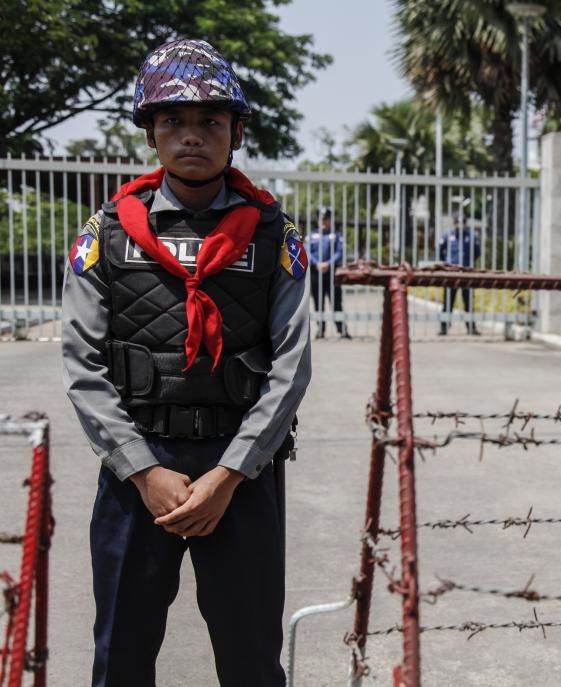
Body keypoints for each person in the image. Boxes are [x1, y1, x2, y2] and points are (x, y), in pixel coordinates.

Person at [61, 39, 311, 687]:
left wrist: (229, 474)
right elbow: (83, 364)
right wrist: (145, 472)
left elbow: (291, 366)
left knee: (252, 659)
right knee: (120, 656)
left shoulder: (273, 235)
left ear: (237, 132)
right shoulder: (109, 234)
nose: (192, 135)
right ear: (150, 133)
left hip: (243, 474)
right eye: (172, 120)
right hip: (136, 472)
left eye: (211, 121)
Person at [307, 208, 350, 338]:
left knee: (336, 301)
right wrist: (317, 263)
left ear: (330, 220)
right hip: (316, 272)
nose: (323, 221)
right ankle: (321, 330)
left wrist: (328, 263)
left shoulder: (337, 235)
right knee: (318, 302)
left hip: (332, 272)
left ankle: (341, 329)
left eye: (326, 219)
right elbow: (306, 251)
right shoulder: (311, 235)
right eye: (321, 219)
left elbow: (340, 252)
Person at [437, 209, 481, 335]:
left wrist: (469, 264)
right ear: (454, 223)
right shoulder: (447, 236)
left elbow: (477, 253)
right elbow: (441, 251)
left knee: (469, 302)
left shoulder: (471, 237)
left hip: (467, 274)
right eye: (457, 222)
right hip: (451, 274)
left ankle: (471, 327)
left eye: (462, 222)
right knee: (448, 302)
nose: (459, 225)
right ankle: (444, 327)